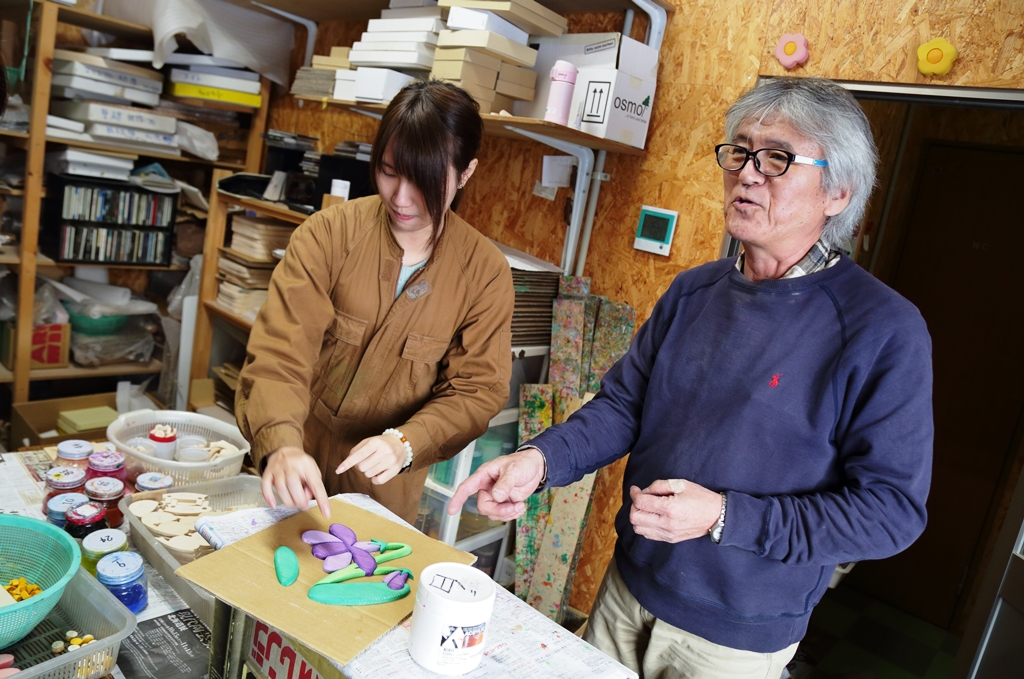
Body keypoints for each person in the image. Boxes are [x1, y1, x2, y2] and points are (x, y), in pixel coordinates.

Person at [450, 77, 933, 678]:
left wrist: (724, 516)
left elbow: (890, 512)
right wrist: (539, 460)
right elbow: (624, 406)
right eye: (739, 150)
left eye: (778, 158)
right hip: (626, 593)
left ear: (838, 192)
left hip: (735, 639)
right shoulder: (694, 290)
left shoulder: (883, 329)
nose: (748, 173)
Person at [237, 80, 515, 525]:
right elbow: (280, 352)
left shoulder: (485, 274)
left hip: (385, 482)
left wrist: (406, 441)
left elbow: (476, 391)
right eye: (389, 171)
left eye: (424, 180)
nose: (401, 198)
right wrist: (280, 443)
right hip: (294, 455)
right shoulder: (328, 234)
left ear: (465, 173)